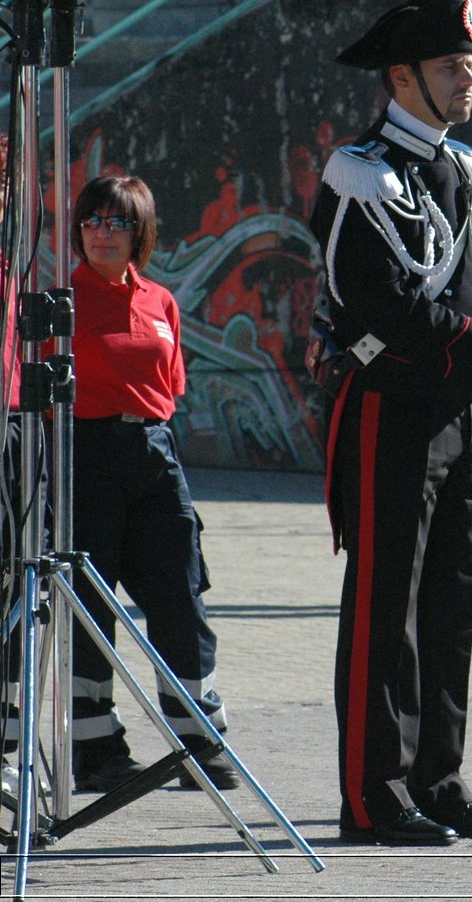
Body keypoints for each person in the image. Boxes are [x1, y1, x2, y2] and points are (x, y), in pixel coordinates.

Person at [310, 0, 472, 845]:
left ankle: (436, 777)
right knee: (388, 607)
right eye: (454, 66)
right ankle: (372, 793)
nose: (469, 79)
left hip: (459, 413)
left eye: (471, 65)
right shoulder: (361, 175)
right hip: (389, 410)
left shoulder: (459, 169)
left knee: (452, 599)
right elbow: (385, 309)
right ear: (403, 75)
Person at [67, 175, 238, 793]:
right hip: (85, 456)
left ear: (141, 231)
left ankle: (199, 740)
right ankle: (96, 750)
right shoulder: (60, 300)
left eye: (117, 222)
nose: (102, 233)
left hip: (156, 454)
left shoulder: (159, 300)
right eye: (91, 221)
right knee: (91, 608)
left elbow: (170, 389)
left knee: (182, 599)